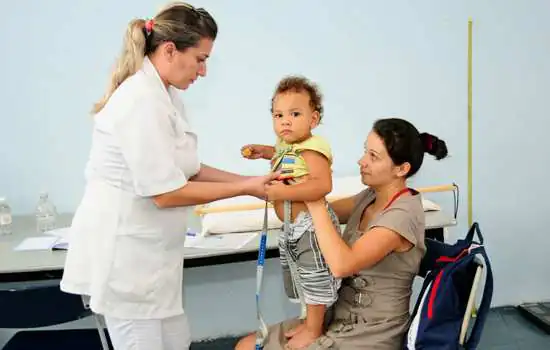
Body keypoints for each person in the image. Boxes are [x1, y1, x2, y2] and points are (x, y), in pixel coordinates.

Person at [59, 2, 276, 350]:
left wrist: (254, 185)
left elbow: (191, 169)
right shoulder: (139, 101)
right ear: (170, 50)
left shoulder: (166, 95)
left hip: (154, 265)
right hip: (126, 263)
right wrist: (246, 188)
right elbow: (166, 193)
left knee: (177, 342)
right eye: (201, 59)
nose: (203, 71)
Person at [236, 117, 448, 349]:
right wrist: (284, 170)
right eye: (365, 152)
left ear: (401, 169)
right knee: (246, 346)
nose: (361, 161)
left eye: (373, 157)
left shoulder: (401, 216)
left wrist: (314, 199)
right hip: (339, 316)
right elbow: (312, 215)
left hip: (373, 333)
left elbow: (342, 265)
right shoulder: (370, 196)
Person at [241, 76, 343, 347]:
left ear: (313, 119)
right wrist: (265, 152)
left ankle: (314, 329)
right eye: (278, 115)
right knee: (300, 276)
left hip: (311, 226)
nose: (285, 121)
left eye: (295, 114)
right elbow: (283, 156)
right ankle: (310, 322)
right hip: (292, 228)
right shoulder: (289, 148)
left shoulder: (312, 150)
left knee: (314, 276)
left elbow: (322, 185)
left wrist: (279, 193)